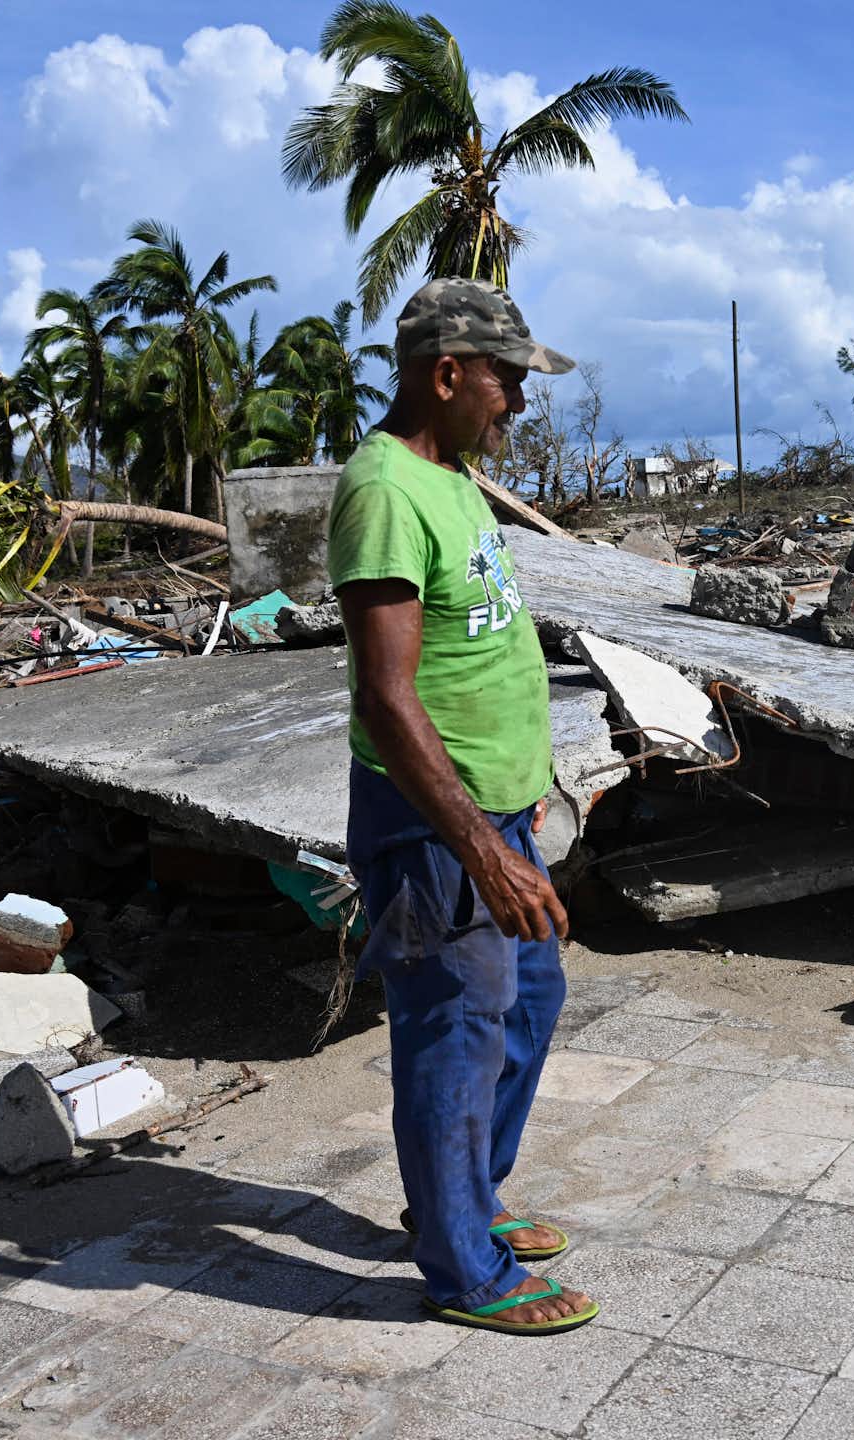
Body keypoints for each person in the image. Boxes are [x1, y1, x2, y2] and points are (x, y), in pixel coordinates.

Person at [326, 277, 597, 1335]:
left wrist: (520, 813)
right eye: (507, 383)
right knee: (452, 1032)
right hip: (436, 831)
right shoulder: (385, 487)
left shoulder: (453, 478)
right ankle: (462, 1271)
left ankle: (466, 1202)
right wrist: (481, 848)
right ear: (446, 375)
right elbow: (386, 701)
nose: (518, 404)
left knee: (525, 1008)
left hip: (500, 815)